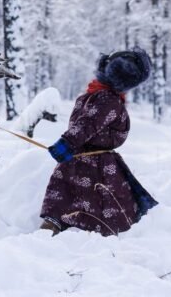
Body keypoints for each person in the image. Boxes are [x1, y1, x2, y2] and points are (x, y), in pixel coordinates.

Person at [39, 48, 158, 236]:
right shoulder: (108, 100)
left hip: (77, 158)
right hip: (96, 163)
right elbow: (87, 124)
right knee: (106, 200)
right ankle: (91, 230)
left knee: (67, 194)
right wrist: (66, 143)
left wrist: (68, 145)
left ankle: (58, 225)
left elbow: (84, 124)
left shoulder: (92, 94)